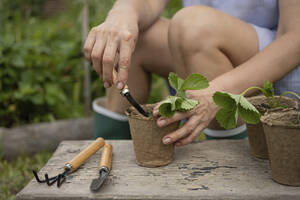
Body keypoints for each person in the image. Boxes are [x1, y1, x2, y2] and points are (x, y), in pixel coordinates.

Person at [84, 0, 300, 145]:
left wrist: (218, 92)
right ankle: (107, 153)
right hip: (197, 45)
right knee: (136, 36)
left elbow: (295, 37)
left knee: (194, 27)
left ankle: (231, 170)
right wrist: (122, 15)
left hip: (278, 69)